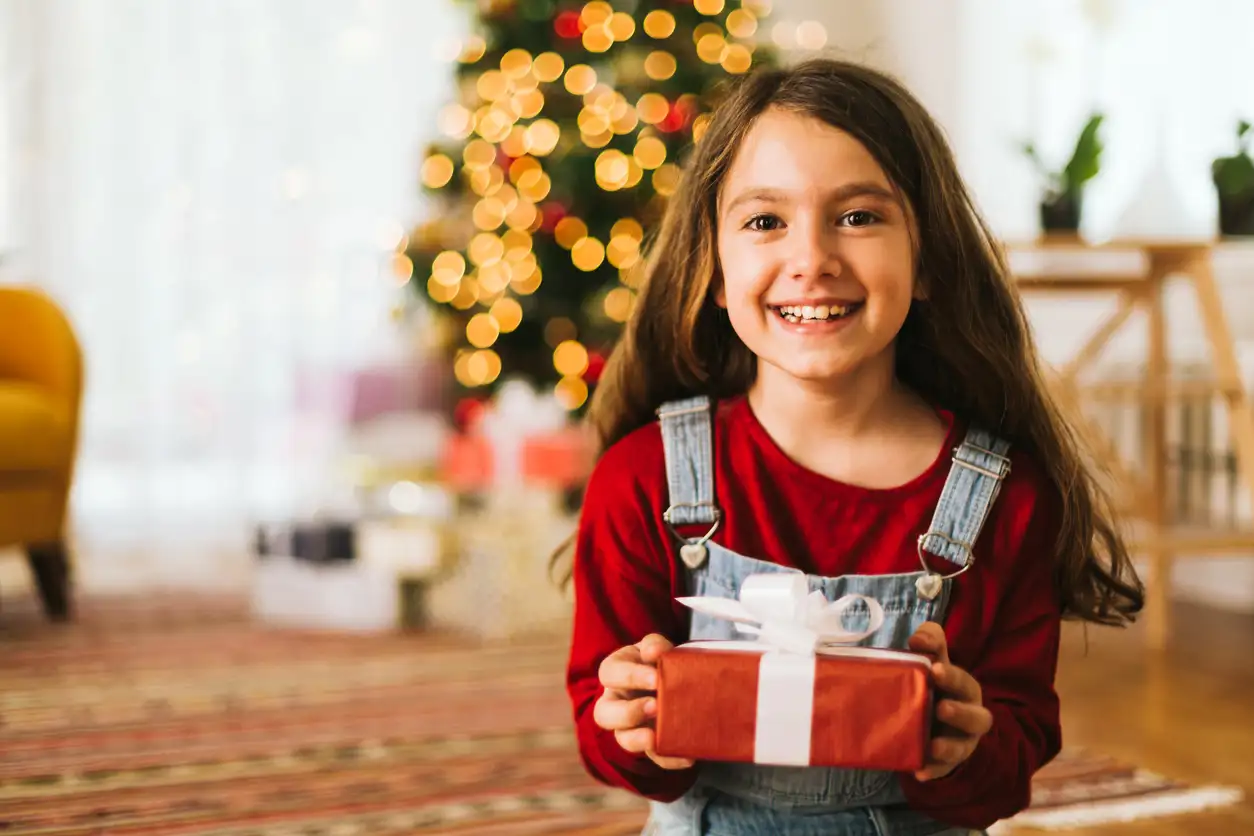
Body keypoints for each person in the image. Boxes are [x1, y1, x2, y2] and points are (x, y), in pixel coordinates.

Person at [561, 58, 1143, 836]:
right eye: (765, 222)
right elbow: (608, 742)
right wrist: (630, 725)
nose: (813, 260)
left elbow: (1014, 751)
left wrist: (966, 746)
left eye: (859, 216)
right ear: (715, 269)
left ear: (928, 257)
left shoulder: (1008, 497)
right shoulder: (643, 479)